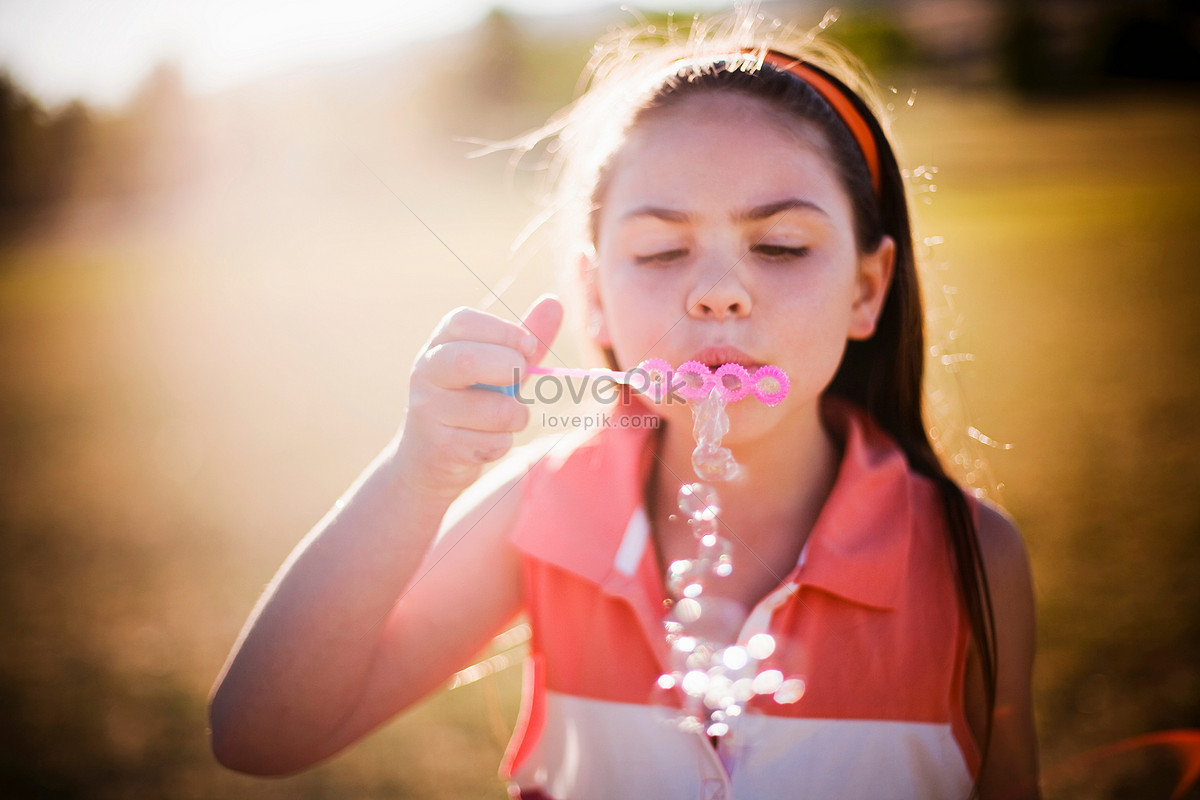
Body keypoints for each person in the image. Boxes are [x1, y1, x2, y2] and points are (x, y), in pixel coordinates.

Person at [208, 12, 1040, 800]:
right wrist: (416, 476)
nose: (718, 293)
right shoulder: (548, 509)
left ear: (867, 289)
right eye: (661, 250)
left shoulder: (968, 553)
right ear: (595, 297)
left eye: (780, 246)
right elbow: (261, 732)